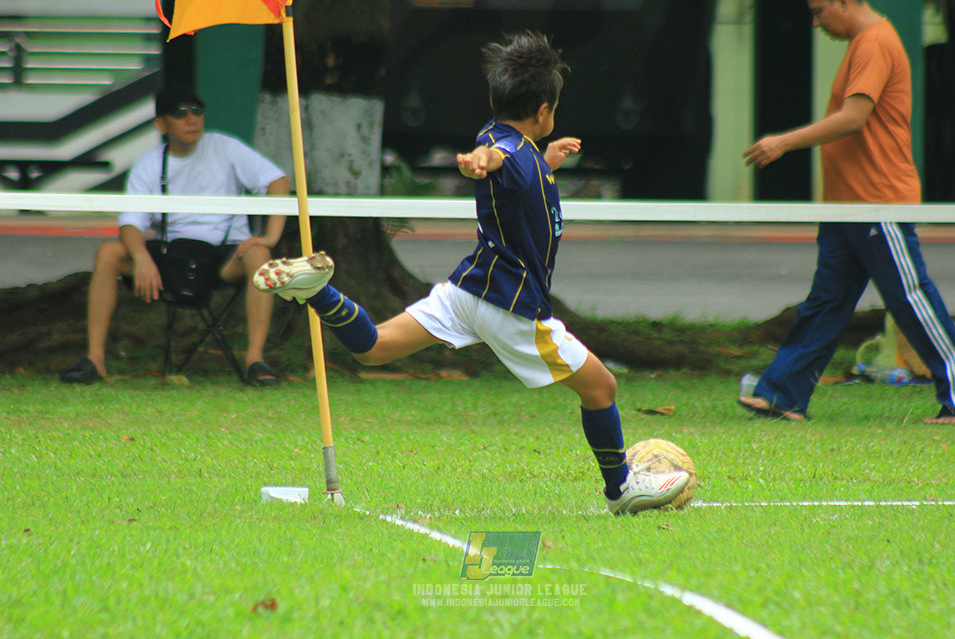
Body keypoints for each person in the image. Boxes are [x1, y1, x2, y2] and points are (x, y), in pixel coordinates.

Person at [253, 32, 690, 514]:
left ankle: (318, 291)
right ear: (544, 110)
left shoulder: (510, 142)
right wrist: (481, 162)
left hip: (469, 289)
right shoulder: (506, 150)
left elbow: (512, 166)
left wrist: (546, 161)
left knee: (374, 348)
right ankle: (621, 490)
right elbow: (499, 159)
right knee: (602, 387)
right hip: (509, 304)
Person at [739, 0, 955, 425]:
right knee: (827, 300)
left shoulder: (875, 42)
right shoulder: (863, 44)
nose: (816, 23)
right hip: (848, 204)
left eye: (819, 12)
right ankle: (782, 393)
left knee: (910, 299)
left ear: (842, 0)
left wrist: (784, 142)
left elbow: (853, 118)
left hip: (878, 200)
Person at [59, 83, 290, 386]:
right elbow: (130, 222)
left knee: (260, 256)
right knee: (108, 253)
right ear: (161, 123)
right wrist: (141, 257)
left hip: (224, 257)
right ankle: (95, 360)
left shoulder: (225, 147)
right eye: (180, 113)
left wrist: (269, 237)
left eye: (197, 111)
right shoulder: (149, 163)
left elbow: (278, 181)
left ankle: (255, 361)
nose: (192, 119)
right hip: (172, 255)